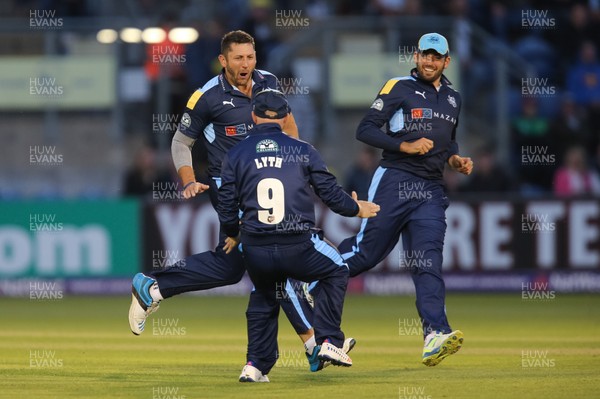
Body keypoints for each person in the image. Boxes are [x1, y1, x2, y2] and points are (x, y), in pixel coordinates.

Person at [128, 31, 329, 371]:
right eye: (238, 58)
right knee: (273, 253)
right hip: (229, 188)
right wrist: (189, 179)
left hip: (265, 183)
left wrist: (296, 168)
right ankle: (314, 343)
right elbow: (180, 142)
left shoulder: (269, 83)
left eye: (250, 57)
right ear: (224, 61)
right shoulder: (206, 97)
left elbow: (289, 124)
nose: (246, 64)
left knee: (231, 266)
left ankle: (153, 285)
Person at [217, 89, 380, 382]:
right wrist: (356, 208)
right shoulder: (303, 150)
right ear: (285, 117)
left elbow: (226, 207)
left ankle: (254, 365)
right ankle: (328, 340)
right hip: (298, 245)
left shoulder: (236, 154)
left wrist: (233, 232)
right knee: (337, 270)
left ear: (253, 116)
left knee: (265, 297)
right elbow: (330, 194)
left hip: (255, 248)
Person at [337, 33, 472, 367]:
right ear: (415, 56)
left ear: (446, 61)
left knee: (428, 261)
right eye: (424, 55)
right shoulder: (398, 86)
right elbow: (365, 130)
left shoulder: (453, 98)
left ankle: (434, 335)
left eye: (435, 57)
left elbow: (449, 142)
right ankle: (313, 276)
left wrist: (455, 160)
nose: (429, 62)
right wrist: (405, 146)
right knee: (367, 253)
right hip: (395, 179)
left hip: (431, 189)